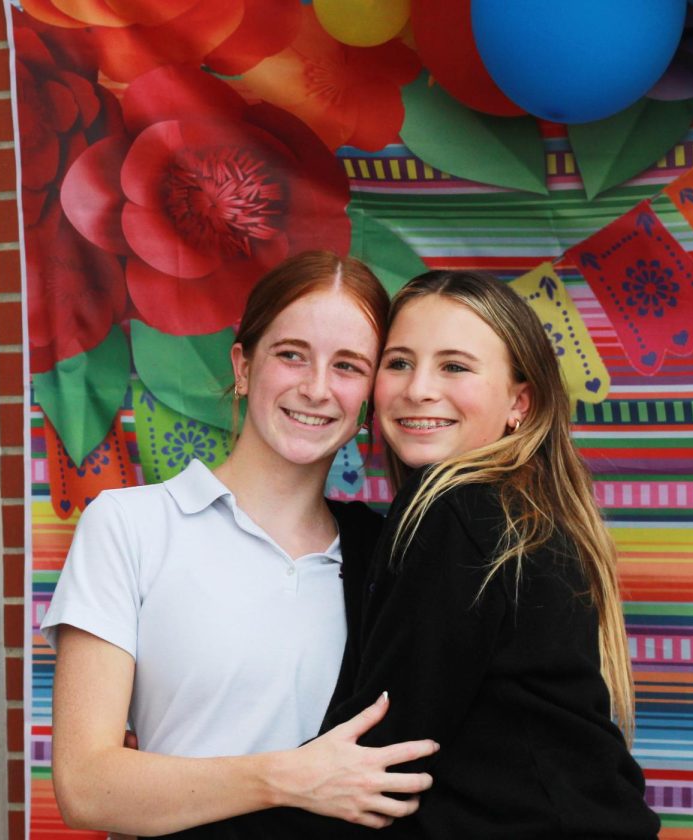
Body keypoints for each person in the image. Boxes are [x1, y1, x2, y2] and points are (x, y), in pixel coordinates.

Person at [166, 270, 660, 838]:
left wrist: (175, 819)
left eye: (454, 366)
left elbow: (376, 761)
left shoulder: (459, 513)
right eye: (398, 363)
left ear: (519, 401)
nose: (418, 388)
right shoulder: (521, 513)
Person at [40, 251, 439, 837]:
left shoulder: (388, 555)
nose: (316, 388)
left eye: (349, 366)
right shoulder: (130, 526)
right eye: (291, 355)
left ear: (370, 399)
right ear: (244, 365)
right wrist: (286, 778)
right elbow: (85, 787)